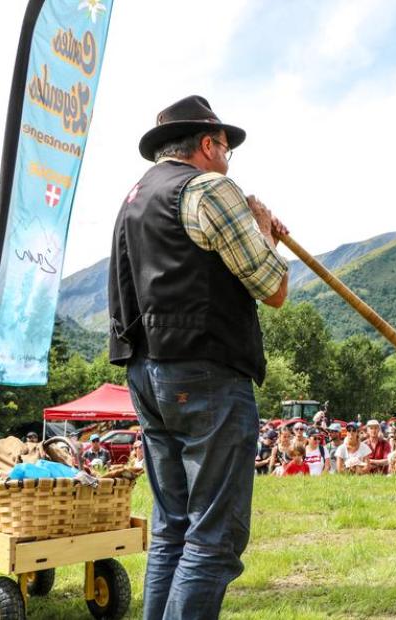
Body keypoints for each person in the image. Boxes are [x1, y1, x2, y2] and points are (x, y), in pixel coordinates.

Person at [109, 96, 289, 620]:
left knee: (172, 529)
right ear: (207, 145)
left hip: (145, 371)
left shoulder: (134, 199)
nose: (229, 159)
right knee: (214, 535)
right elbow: (272, 286)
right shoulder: (209, 187)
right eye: (226, 148)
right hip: (205, 371)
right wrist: (263, 233)